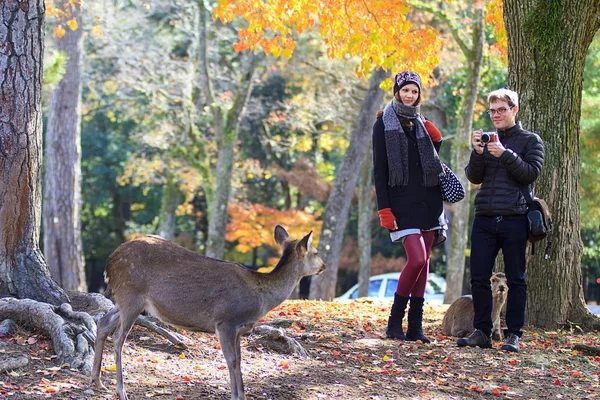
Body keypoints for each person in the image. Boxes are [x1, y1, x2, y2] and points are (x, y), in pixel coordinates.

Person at [458, 88, 544, 352]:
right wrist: (477, 151)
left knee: (516, 279)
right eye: (492, 110)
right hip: (484, 216)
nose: (495, 115)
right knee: (479, 276)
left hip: (515, 217)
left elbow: (531, 173)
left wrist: (504, 154)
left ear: (514, 110)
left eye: (501, 110)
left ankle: (513, 335)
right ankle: (482, 331)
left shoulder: (530, 141)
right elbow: (474, 177)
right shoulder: (486, 140)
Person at [372, 70, 447, 343]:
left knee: (425, 262)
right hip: (401, 204)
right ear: (397, 91)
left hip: (429, 201)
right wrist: (384, 208)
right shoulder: (383, 123)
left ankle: (415, 326)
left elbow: (431, 163)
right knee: (416, 258)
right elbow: (379, 170)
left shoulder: (422, 122)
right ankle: (394, 323)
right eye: (405, 90)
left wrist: (436, 140)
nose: (410, 95)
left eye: (414, 91)